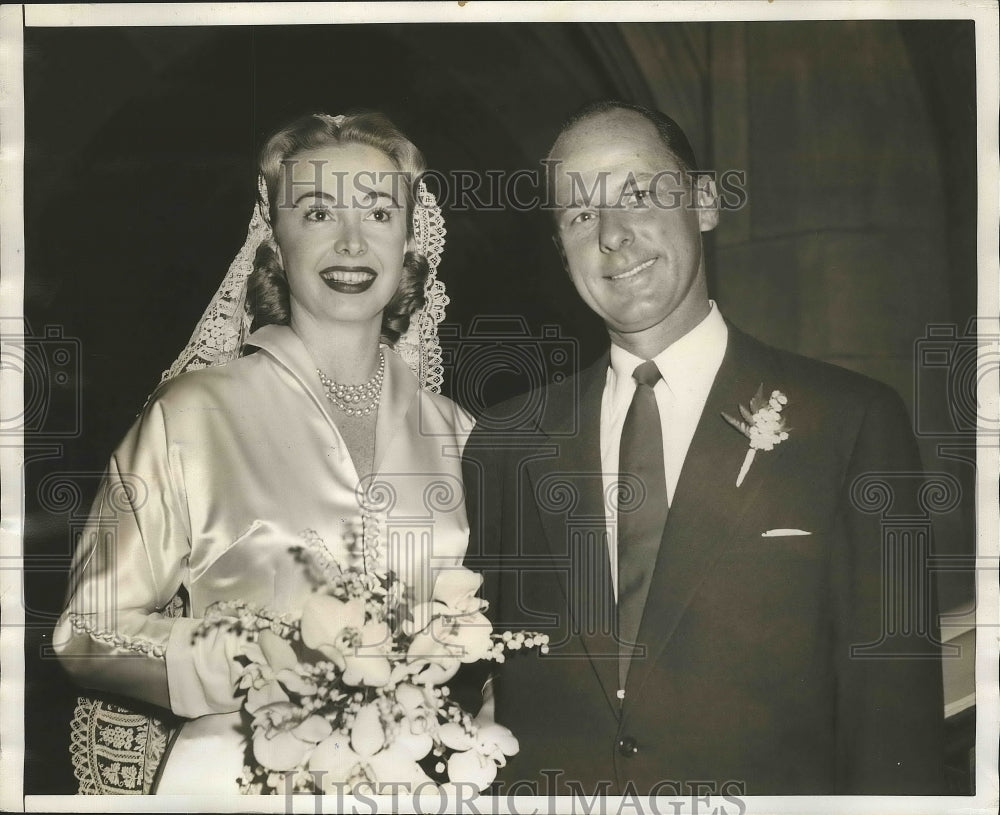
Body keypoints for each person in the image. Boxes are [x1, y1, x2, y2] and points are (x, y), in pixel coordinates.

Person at [462, 100, 946, 796]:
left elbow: (893, 724)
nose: (611, 236)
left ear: (706, 202)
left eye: (638, 192)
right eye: (576, 214)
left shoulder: (851, 421)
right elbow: (458, 672)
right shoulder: (506, 441)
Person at [53, 111, 470, 795]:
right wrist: (255, 657)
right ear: (273, 238)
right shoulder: (191, 414)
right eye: (316, 211)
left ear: (410, 238)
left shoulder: (460, 434)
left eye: (376, 210)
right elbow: (86, 631)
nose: (350, 241)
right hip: (230, 784)